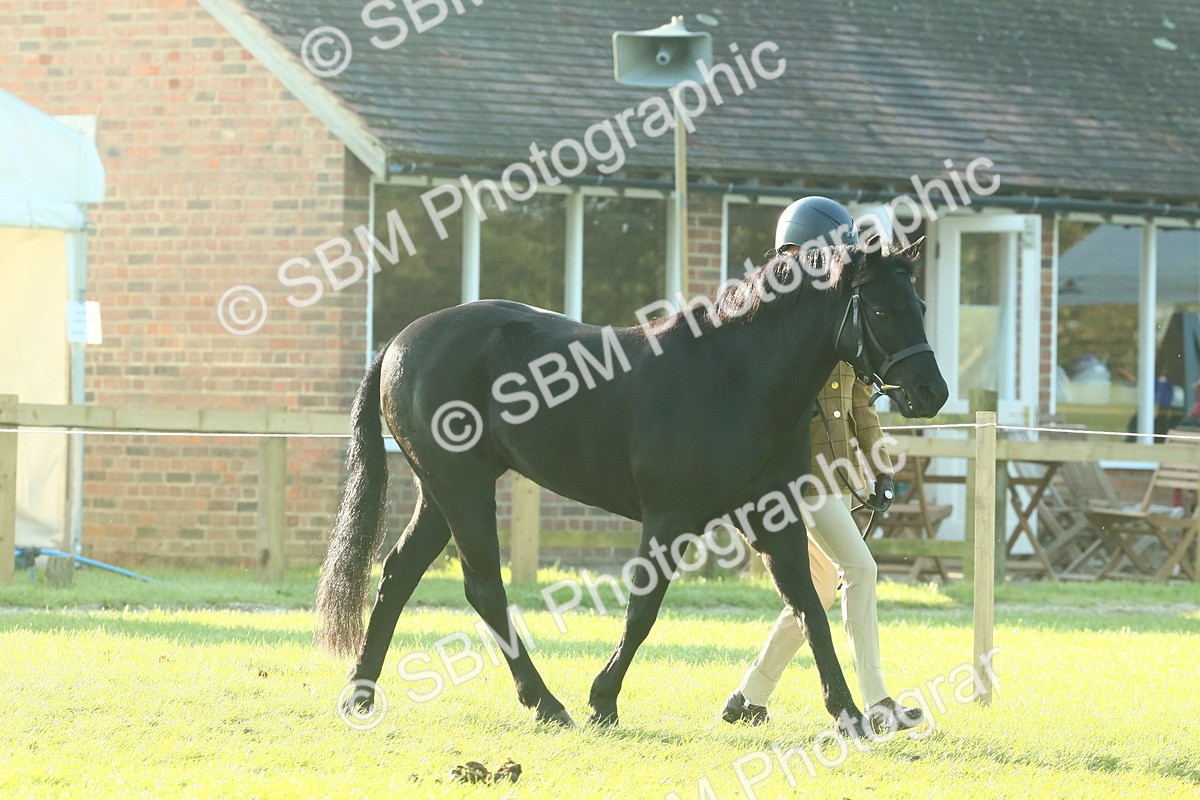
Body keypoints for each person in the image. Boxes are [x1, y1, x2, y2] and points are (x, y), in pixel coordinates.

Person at [720, 197, 925, 733]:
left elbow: (859, 400)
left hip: (823, 474)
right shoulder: (780, 322)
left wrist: (879, 467)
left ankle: (750, 696)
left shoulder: (841, 311)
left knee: (820, 588)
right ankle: (878, 702)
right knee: (860, 570)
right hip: (788, 476)